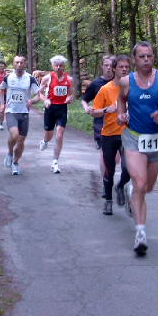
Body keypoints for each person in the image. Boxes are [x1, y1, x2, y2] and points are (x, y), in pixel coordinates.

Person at [116, 41, 158, 256]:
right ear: (135, 59)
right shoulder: (126, 81)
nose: (146, 60)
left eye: (149, 56)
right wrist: (121, 114)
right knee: (141, 182)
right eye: (142, 56)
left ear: (153, 58)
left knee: (148, 187)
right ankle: (140, 234)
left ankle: (131, 191)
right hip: (133, 137)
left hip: (156, 138)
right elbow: (121, 100)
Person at [90, 55, 131, 215]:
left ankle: (120, 186)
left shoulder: (134, 88)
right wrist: (107, 110)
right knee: (109, 170)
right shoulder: (105, 89)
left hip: (128, 135)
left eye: (127, 67)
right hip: (109, 135)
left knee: (129, 169)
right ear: (114, 69)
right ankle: (108, 200)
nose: (124, 70)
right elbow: (94, 112)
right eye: (121, 67)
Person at [0, 55, 41, 175]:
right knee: (15, 135)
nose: (19, 65)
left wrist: (32, 101)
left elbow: (38, 95)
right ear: (13, 64)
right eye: (16, 62)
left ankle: (15, 163)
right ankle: (9, 153)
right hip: (11, 111)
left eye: (21, 62)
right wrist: (2, 104)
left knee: (21, 140)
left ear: (25, 64)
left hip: (24, 113)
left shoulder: (30, 78)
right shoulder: (8, 77)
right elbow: (1, 89)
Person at [81, 55, 115, 197]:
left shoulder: (121, 82)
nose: (108, 68)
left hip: (118, 123)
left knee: (116, 157)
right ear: (102, 66)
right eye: (106, 65)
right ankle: (105, 182)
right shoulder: (96, 83)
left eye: (111, 65)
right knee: (104, 153)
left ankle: (109, 176)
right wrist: (87, 108)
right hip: (101, 122)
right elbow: (84, 99)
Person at [38, 55, 75, 174]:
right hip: (50, 108)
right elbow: (40, 93)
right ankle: (44, 141)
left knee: (59, 135)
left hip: (62, 109)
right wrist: (45, 100)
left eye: (61, 65)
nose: (59, 67)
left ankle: (55, 162)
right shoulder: (47, 78)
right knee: (49, 135)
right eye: (56, 65)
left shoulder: (69, 79)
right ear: (53, 66)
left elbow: (72, 94)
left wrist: (70, 98)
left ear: (64, 66)